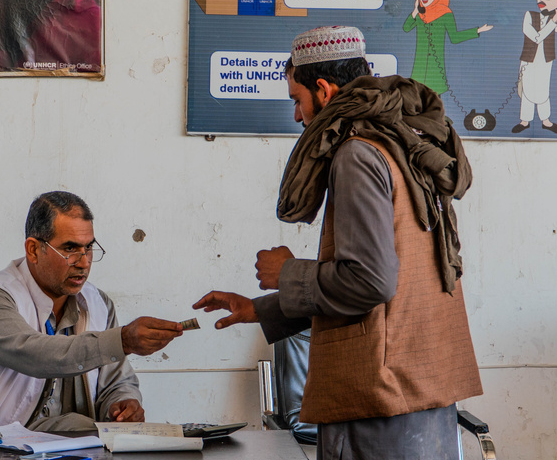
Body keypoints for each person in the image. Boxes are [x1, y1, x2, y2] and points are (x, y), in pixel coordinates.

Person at [194, 26, 483, 459]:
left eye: (297, 99)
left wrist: (286, 273)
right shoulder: (402, 141)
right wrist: (259, 309)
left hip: (379, 401)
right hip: (422, 391)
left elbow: (369, 283)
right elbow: (388, 288)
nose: (296, 115)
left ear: (325, 90)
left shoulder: (357, 154)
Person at [0, 191, 182, 432]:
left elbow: (117, 381)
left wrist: (122, 405)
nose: (84, 262)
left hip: (69, 444)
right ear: (33, 250)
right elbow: (38, 355)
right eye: (70, 249)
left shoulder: (98, 303)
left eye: (89, 248)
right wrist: (122, 340)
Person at [403, 0, 492, 95]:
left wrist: (477, 30)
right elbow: (406, 28)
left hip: (435, 69)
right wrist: (415, 11)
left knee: (435, 101)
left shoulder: (446, 14)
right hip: (419, 68)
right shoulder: (419, 15)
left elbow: (454, 37)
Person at [512, 0, 557, 134]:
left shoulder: (553, 20)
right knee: (527, 90)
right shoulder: (529, 15)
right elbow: (536, 38)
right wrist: (554, 19)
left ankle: (546, 121)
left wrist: (555, 19)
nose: (542, 0)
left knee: (543, 91)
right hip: (528, 60)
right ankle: (524, 121)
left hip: (545, 61)